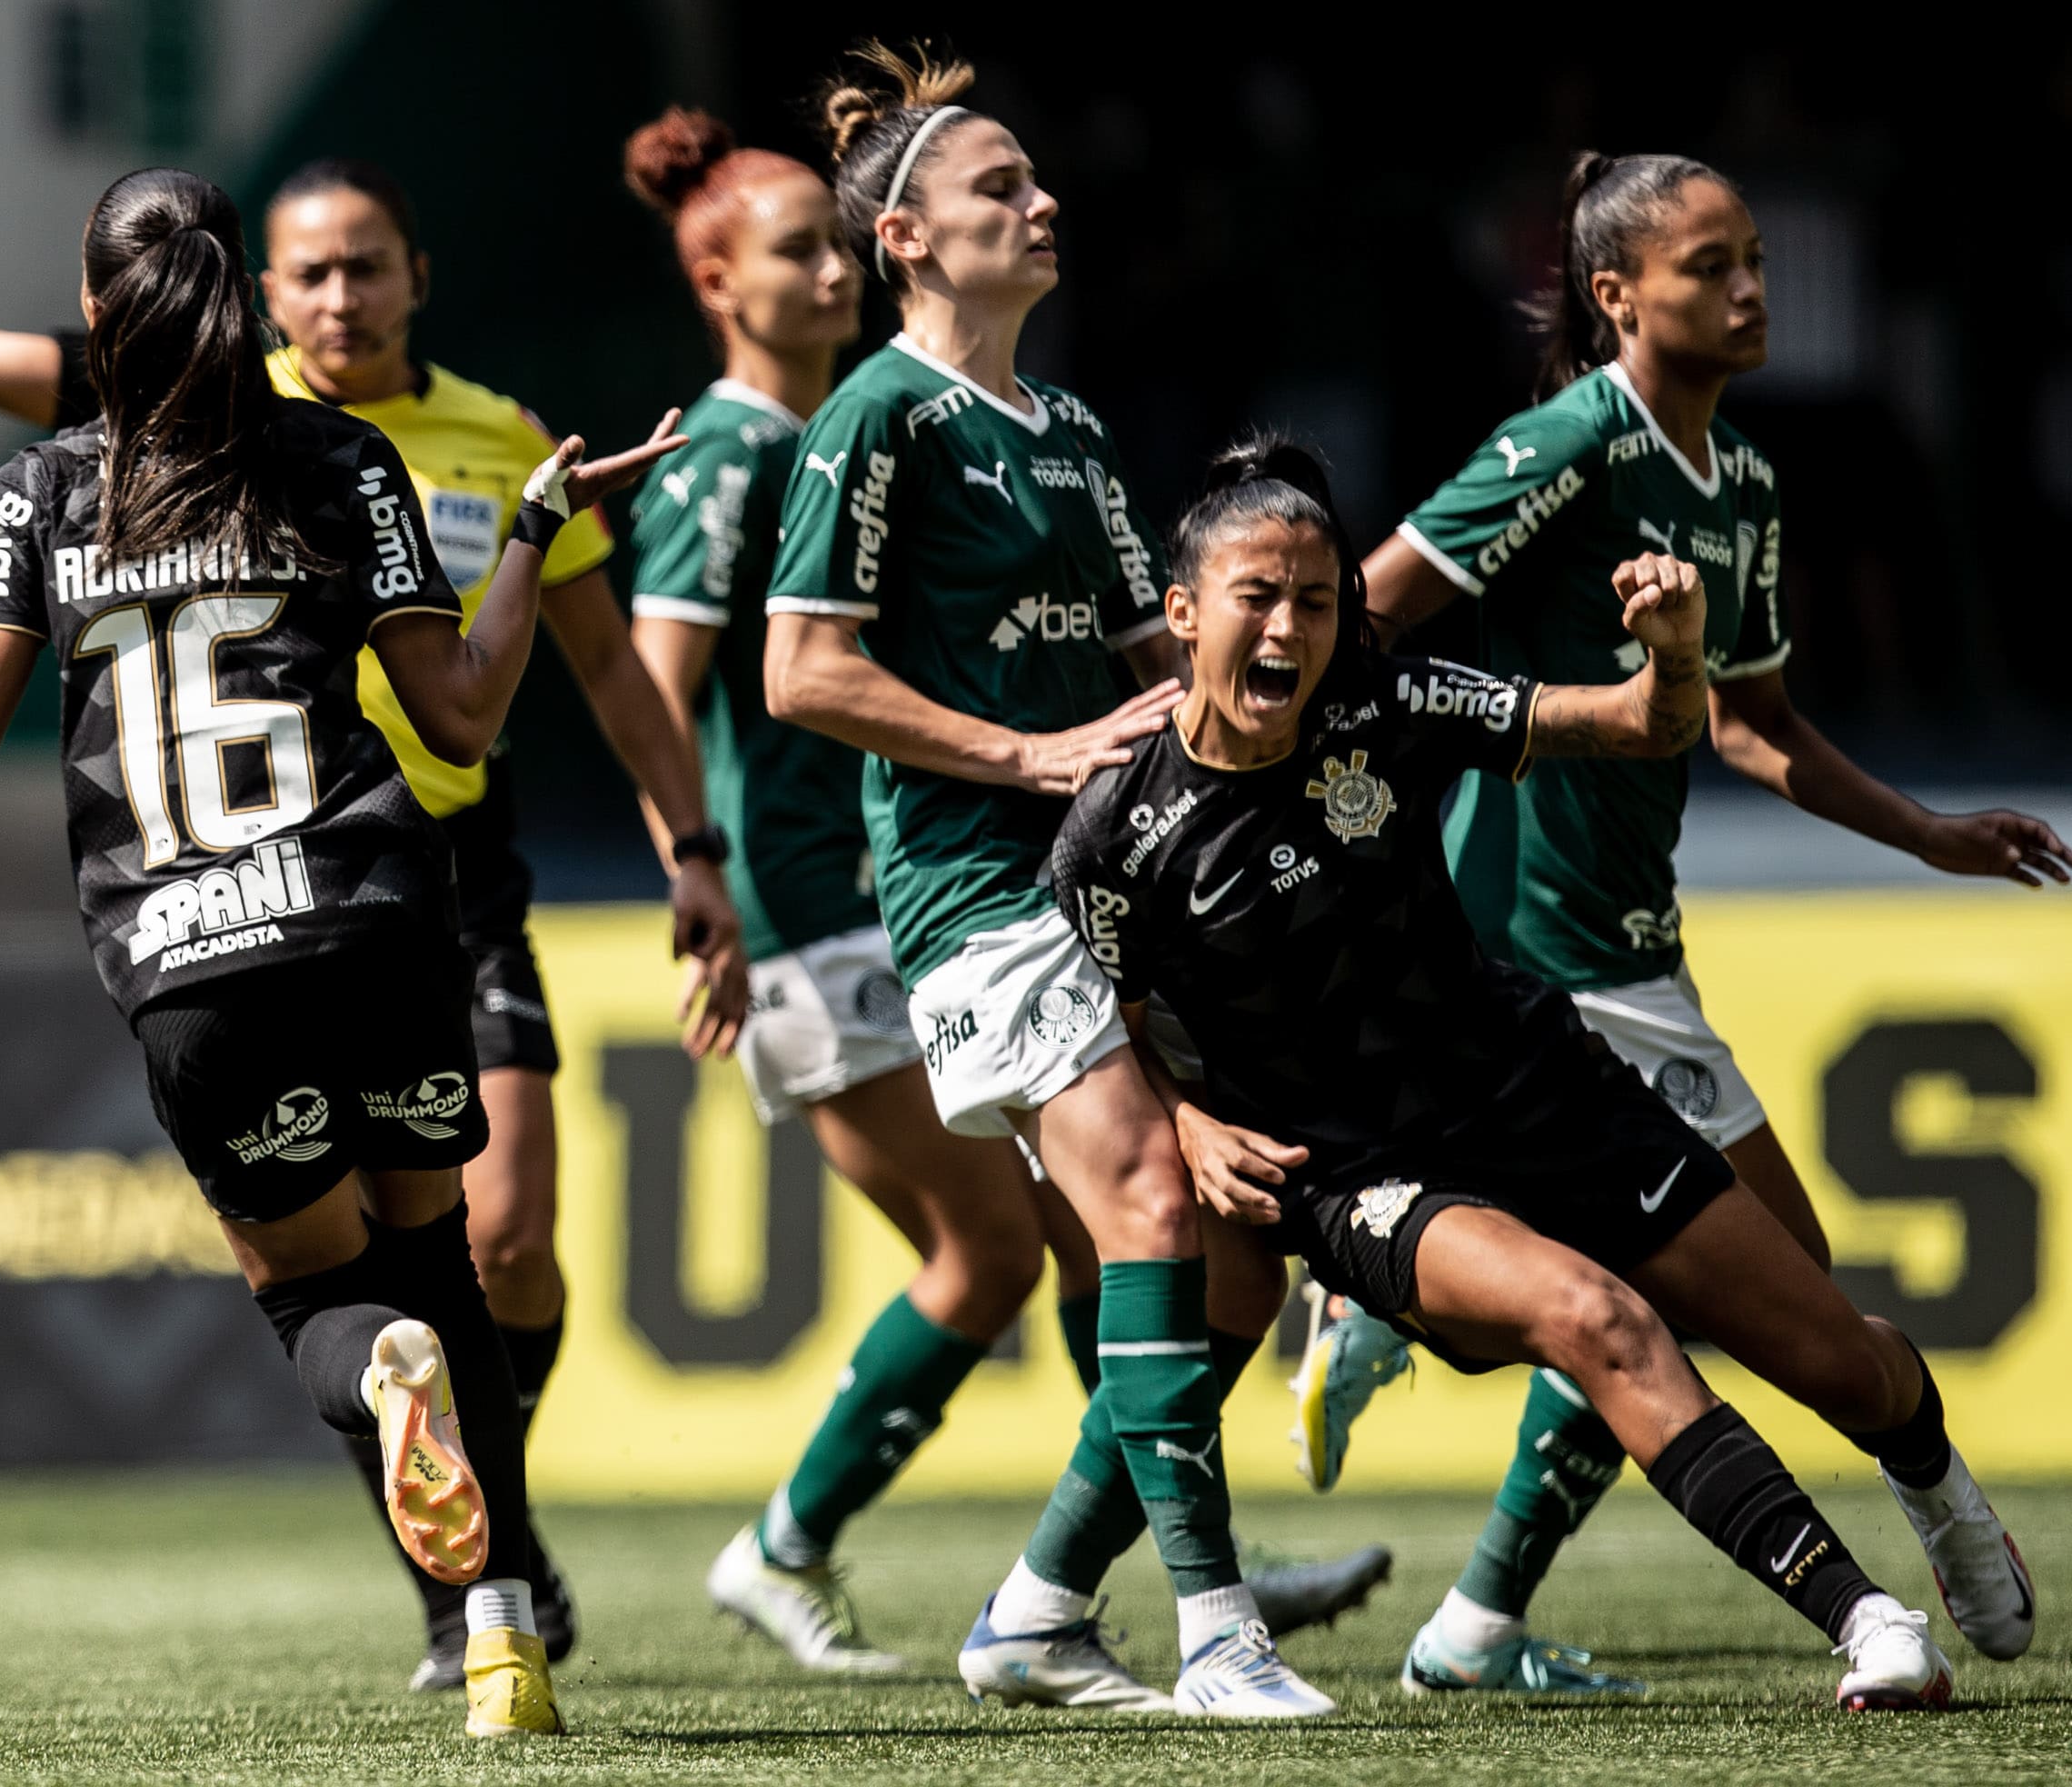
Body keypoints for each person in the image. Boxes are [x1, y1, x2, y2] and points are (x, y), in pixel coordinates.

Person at [0, 158, 752, 1689]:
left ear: (97, 311)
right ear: (252, 290)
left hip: (193, 972)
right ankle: (499, 1638)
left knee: (321, 1304)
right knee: (440, 1260)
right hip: (380, 922)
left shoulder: (41, 489)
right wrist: (538, 523)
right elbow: (467, 720)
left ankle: (401, 1418)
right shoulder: (344, 459)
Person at [1060, 430, 2017, 1712]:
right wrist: (1184, 1122)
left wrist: (1674, 656)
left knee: (1844, 1363)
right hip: (1357, 1174)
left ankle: (1937, 1482)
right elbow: (1123, 1024)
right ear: (1183, 614)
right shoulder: (1113, 838)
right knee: (1597, 1320)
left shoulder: (1386, 707)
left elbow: (1639, 726)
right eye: (1258, 599)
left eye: (1320, 601)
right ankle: (1870, 1623)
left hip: (1536, 1088)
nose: (1290, 628)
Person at [618, 105, 1390, 1675]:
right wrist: (1025, 759)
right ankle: (1210, 1624)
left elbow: (1153, 669)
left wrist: (1320, 722)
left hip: (1117, 886)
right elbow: (794, 673)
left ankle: (1043, 1601)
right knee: (1103, 1223)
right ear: (901, 237)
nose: (1044, 203)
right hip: (960, 889)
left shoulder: (1072, 430)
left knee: (1201, 1252)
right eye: (1000, 186)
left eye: (1037, 179)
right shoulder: (869, 421)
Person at [1292, 151, 2057, 1693]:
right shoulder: (1567, 441)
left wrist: (1927, 833)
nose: (1752, 287)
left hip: (1629, 939)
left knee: (1715, 1281)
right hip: (1533, 942)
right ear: (1616, 294)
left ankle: (1475, 1616)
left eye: (1756, 256)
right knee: (1768, 1273)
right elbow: (1359, 614)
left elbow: (1753, 725)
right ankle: (1920, 1511)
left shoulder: (1748, 489)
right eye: (1711, 266)